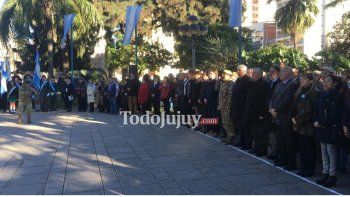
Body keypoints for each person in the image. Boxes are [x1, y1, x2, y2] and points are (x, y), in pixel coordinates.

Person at [314, 75, 343, 187]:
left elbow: (334, 113)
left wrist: (321, 122)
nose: (325, 83)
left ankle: (332, 175)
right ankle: (325, 172)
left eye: (328, 81)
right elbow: (316, 109)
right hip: (321, 127)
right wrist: (316, 120)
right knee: (324, 151)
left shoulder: (336, 95)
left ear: (334, 83)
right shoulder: (322, 93)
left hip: (330, 127)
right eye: (324, 81)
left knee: (331, 151)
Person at [269, 67, 299, 171]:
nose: (280, 74)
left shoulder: (292, 85)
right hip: (277, 117)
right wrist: (271, 108)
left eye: (282, 72)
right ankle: (282, 160)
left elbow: (287, 100)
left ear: (288, 74)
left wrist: (276, 110)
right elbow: (272, 98)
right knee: (280, 141)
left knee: (288, 142)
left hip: (285, 117)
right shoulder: (278, 84)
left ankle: (291, 163)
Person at [291, 73, 319, 177]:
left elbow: (309, 111)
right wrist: (293, 117)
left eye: (305, 79)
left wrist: (297, 120)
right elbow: (294, 106)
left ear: (311, 81)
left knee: (309, 149)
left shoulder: (313, 93)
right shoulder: (300, 91)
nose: (302, 80)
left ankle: (309, 170)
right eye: (301, 78)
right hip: (299, 126)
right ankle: (303, 168)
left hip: (308, 126)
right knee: (302, 148)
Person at [244, 67, 268, 156]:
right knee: (254, 132)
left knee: (260, 133)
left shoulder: (263, 84)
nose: (252, 74)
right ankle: (256, 148)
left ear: (259, 74)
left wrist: (262, 113)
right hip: (252, 112)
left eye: (254, 73)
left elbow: (263, 100)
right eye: (252, 73)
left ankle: (261, 150)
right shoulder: (253, 84)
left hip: (259, 113)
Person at [231, 65, 252, 149]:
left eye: (239, 70)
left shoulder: (248, 80)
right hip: (236, 107)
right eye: (237, 70)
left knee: (245, 127)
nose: (237, 71)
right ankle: (241, 141)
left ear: (244, 71)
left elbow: (248, 96)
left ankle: (247, 144)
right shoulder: (238, 80)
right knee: (239, 126)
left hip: (243, 108)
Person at [266, 66, 281, 160]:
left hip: (276, 112)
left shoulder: (280, 82)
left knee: (276, 134)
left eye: (273, 71)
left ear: (278, 72)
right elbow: (269, 97)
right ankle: (273, 151)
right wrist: (269, 108)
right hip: (269, 111)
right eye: (270, 71)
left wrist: (273, 109)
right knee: (271, 133)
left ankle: (276, 152)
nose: (270, 73)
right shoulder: (270, 82)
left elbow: (277, 98)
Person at [218, 70, 235, 145]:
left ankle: (231, 137)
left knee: (229, 122)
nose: (223, 76)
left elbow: (230, 96)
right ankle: (228, 135)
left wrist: (228, 106)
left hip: (227, 107)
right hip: (222, 106)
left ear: (229, 75)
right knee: (224, 122)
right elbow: (220, 95)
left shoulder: (231, 83)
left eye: (224, 75)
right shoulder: (223, 83)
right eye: (222, 75)